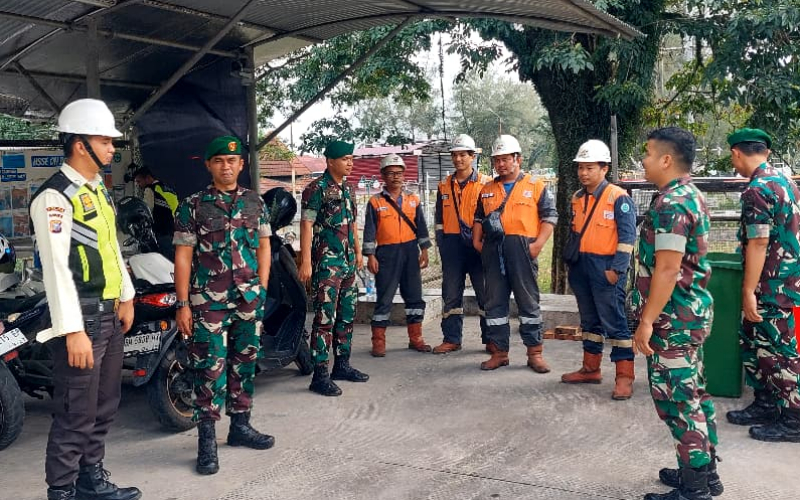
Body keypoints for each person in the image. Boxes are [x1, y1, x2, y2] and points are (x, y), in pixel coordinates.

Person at [29, 98, 141, 500]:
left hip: (110, 315)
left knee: (105, 405)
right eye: (105, 140)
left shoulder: (97, 190)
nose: (113, 148)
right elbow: (57, 270)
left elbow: (111, 247)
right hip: (84, 321)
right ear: (80, 144)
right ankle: (61, 490)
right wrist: (72, 331)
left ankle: (90, 480)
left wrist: (126, 295)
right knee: (75, 412)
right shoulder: (54, 197)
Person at [173, 136, 275, 476]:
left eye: (231, 161)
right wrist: (183, 303)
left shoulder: (255, 202)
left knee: (245, 362)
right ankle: (206, 443)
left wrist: (260, 287)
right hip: (208, 302)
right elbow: (184, 256)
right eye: (218, 160)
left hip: (248, 299)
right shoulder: (193, 205)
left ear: (241, 165)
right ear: (209, 165)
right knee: (209, 370)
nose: (226, 166)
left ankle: (240, 426)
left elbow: (264, 246)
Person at [632, 127, 721, 500]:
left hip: (672, 318)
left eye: (649, 154)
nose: (644, 161)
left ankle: (695, 489)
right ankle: (703, 472)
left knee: (677, 400)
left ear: (667, 160)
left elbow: (667, 270)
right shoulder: (689, 195)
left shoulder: (671, 204)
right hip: (689, 314)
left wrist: (647, 321)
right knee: (693, 392)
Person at [725, 128, 800, 443]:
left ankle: (794, 418)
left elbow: (758, 242)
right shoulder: (787, 184)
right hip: (784, 278)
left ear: (737, 153)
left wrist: (747, 291)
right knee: (754, 342)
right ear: (765, 152)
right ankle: (767, 403)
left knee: (777, 351)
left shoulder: (757, 190)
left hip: (770, 285)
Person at [472, 134, 557, 373]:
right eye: (496, 160)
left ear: (517, 159)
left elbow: (550, 216)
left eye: (505, 159)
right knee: (494, 303)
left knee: (528, 302)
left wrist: (537, 245)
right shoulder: (487, 189)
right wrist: (478, 242)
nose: (500, 164)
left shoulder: (535, 186)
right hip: (492, 250)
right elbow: (478, 218)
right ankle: (499, 353)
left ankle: (535, 353)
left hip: (522, 250)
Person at [561, 140, 638, 400]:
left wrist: (617, 269)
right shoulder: (577, 197)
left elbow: (628, 237)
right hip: (582, 266)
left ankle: (625, 376)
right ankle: (590, 369)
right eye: (580, 168)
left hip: (606, 267)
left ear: (604, 168)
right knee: (589, 320)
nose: (583, 173)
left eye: (589, 167)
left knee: (615, 322)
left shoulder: (618, 197)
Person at [299, 140, 368, 397]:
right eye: (345, 159)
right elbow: (306, 225)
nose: (350, 163)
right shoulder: (315, 189)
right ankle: (320, 375)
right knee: (324, 319)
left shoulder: (348, 189)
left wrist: (359, 252)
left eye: (351, 158)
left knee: (347, 316)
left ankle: (342, 365)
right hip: (327, 264)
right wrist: (306, 261)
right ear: (330, 161)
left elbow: (352, 224)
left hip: (348, 262)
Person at [363, 153, 433, 356]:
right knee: (384, 297)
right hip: (386, 253)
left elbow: (421, 228)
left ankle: (416, 338)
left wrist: (425, 251)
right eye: (391, 173)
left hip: (411, 251)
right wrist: (371, 255)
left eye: (399, 173)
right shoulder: (375, 202)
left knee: (414, 296)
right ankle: (378, 342)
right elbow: (369, 232)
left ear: (404, 175)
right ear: (383, 176)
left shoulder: (413, 200)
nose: (395, 177)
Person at [432, 134, 492, 354]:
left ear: (472, 156)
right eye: (455, 155)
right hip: (452, 248)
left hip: (478, 247)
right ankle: (451, 339)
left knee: (485, 294)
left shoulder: (485, 184)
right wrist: (442, 243)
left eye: (463, 155)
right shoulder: (443, 186)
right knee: (451, 294)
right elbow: (438, 220)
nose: (458, 159)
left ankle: (491, 339)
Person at [131, 165, 178, 259]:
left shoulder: (150, 190)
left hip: (161, 232)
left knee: (163, 262)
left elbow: (146, 211)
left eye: (139, 181)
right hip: (173, 229)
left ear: (148, 178)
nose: (139, 185)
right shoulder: (167, 189)